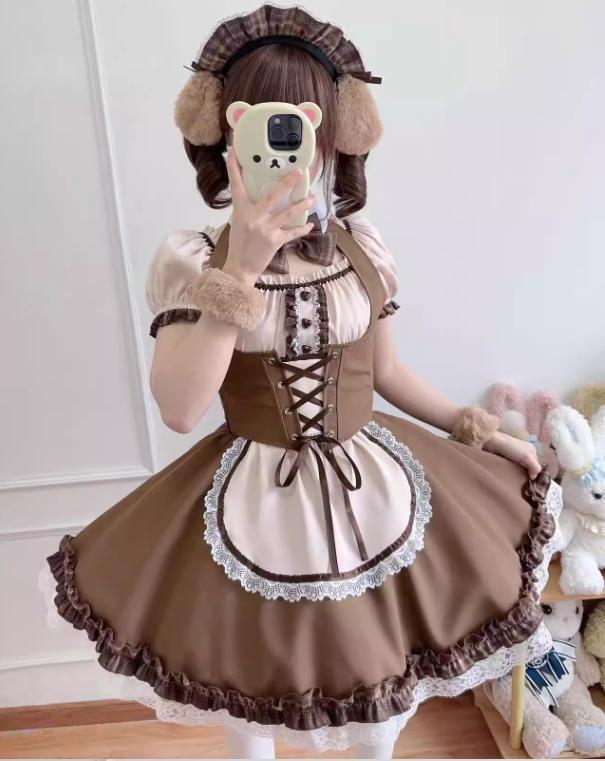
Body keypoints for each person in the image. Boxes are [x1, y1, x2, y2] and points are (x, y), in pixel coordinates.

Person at [41, 5, 563, 758]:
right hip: (251, 502)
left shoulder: (362, 248)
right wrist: (240, 271)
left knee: (380, 707)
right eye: (260, 126)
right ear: (228, 135)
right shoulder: (193, 258)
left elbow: (388, 372)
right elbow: (181, 409)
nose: (288, 153)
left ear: (333, 134)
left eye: (304, 127)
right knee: (253, 703)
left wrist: (477, 431)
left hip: (375, 493)